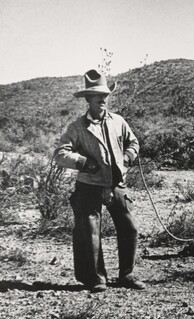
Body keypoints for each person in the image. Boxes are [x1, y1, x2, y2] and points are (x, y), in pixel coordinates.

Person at [54, 69, 145, 293]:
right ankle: (96, 278)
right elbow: (60, 154)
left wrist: (126, 157)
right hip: (88, 185)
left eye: (105, 95)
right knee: (89, 231)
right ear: (88, 99)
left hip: (116, 183)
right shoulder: (77, 127)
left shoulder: (119, 122)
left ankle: (127, 274)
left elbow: (133, 143)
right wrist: (83, 162)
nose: (102, 99)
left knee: (130, 226)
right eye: (97, 95)